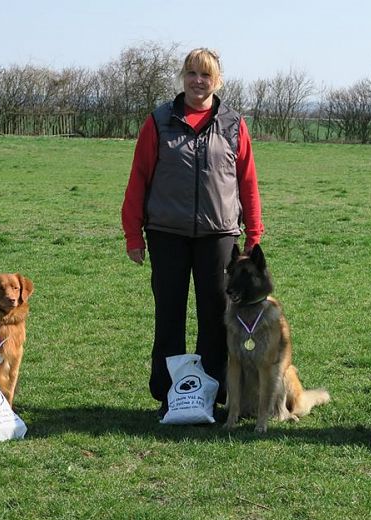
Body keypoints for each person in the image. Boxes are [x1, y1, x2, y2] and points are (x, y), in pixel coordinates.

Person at [121, 48, 264, 419]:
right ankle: (169, 394)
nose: (198, 81)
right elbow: (139, 178)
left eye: (206, 75)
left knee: (215, 315)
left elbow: (247, 181)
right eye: (191, 73)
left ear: (218, 81)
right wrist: (133, 234)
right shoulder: (158, 122)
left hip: (219, 235)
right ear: (182, 77)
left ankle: (210, 394)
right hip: (166, 233)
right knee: (169, 315)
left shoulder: (234, 124)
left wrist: (254, 231)